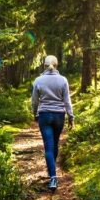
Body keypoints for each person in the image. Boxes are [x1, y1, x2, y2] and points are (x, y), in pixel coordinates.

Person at [30, 54, 74, 191]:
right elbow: (67, 101)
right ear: (57, 65)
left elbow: (34, 101)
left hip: (44, 115)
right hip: (59, 116)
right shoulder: (63, 80)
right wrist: (71, 116)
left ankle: (53, 176)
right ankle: (52, 170)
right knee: (55, 144)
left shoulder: (38, 80)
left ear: (44, 65)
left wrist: (34, 113)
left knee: (48, 147)